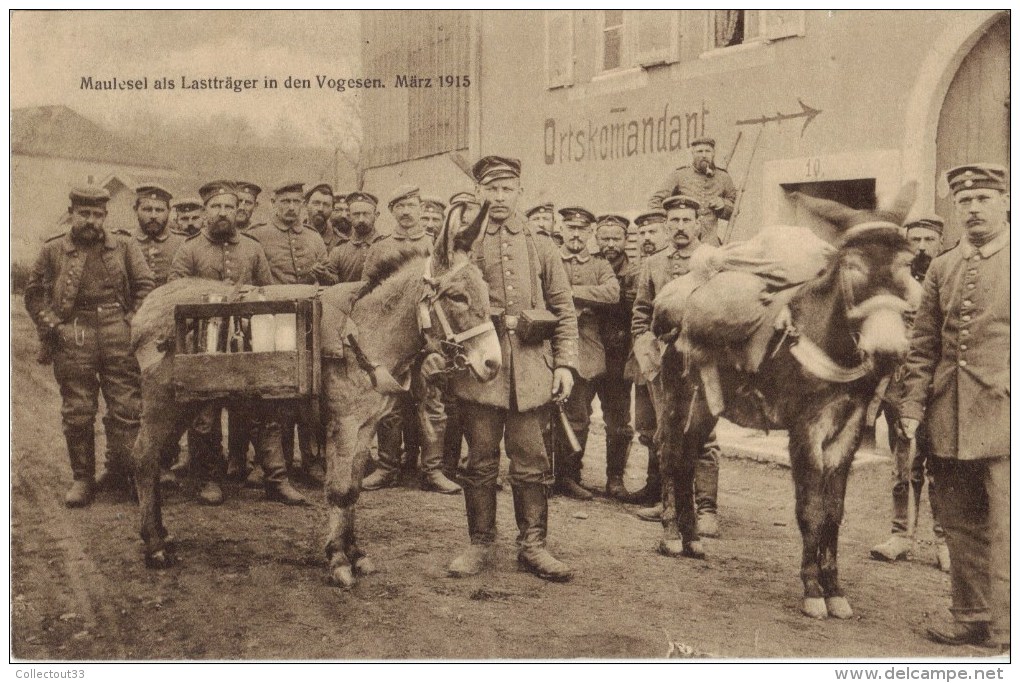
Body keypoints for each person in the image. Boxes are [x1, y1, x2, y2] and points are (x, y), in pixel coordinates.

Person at [446, 155, 579, 582]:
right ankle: (480, 544)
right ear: (479, 192)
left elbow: (564, 310)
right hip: (480, 370)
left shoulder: (541, 244)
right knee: (480, 460)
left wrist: (565, 365)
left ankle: (533, 546)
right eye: (491, 189)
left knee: (532, 461)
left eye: (507, 189)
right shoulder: (464, 246)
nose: (499, 197)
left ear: (519, 191)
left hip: (530, 370)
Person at [898, 164, 1009, 651]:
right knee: (961, 524)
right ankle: (971, 616)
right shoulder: (942, 267)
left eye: (984, 198)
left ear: (1005, 203)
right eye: (965, 201)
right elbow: (923, 347)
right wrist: (911, 407)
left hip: (1006, 419)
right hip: (948, 416)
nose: (974, 208)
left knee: (1008, 525)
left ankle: (1009, 631)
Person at [168, 181, 306, 507]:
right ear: (205, 212)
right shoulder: (188, 250)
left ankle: (276, 478)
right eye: (216, 207)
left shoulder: (253, 248)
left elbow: (267, 293)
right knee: (205, 413)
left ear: (236, 211)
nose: (222, 213)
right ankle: (208, 478)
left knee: (264, 408)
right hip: (203, 342)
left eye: (228, 207)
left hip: (246, 341)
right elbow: (175, 297)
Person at [25, 185, 155, 507]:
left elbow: (145, 286)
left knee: (126, 408)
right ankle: (83, 479)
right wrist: (54, 326)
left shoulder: (124, 246)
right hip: (75, 333)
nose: (91, 221)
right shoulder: (53, 250)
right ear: (71, 214)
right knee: (78, 410)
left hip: (117, 331)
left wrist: (131, 323)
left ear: (106, 217)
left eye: (98, 215)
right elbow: (34, 293)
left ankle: (123, 474)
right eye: (85, 214)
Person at [630, 195, 722, 538]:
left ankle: (707, 509)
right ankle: (669, 503)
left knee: (704, 436)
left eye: (686, 220)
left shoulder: (713, 260)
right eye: (674, 221)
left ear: (698, 224)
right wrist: (644, 346)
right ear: (667, 225)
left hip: (702, 359)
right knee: (665, 433)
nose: (680, 227)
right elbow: (641, 312)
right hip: (663, 361)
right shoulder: (653, 264)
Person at [870, 215, 949, 570]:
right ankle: (900, 535)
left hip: (941, 384)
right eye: (914, 239)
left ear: (940, 242)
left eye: (928, 239)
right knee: (903, 462)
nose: (921, 246)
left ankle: (944, 541)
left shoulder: (950, 275)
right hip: (900, 383)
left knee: (941, 465)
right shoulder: (894, 281)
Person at [360, 185, 451, 492]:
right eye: (399, 206)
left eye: (411, 205)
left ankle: (432, 470)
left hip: (426, 340)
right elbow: (367, 293)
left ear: (419, 206)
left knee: (432, 402)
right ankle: (387, 467)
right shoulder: (381, 247)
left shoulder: (435, 246)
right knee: (390, 404)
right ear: (392, 212)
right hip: (391, 341)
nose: (406, 211)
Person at [552, 207, 619, 500]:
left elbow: (612, 294)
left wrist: (569, 292)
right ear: (562, 230)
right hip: (548, 345)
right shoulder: (551, 259)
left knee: (578, 415)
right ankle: (543, 474)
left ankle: (569, 474)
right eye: (570, 228)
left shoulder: (600, 265)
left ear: (591, 233)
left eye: (582, 230)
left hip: (586, 352)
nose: (576, 234)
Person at [621, 209, 669, 505]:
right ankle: (654, 487)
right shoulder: (640, 269)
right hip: (644, 358)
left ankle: (673, 495)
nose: (647, 239)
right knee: (647, 426)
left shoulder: (674, 265)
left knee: (670, 427)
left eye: (653, 232)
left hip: (671, 356)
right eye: (643, 234)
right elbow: (637, 312)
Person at [593, 213, 640, 500]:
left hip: (618, 355)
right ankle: (569, 474)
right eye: (604, 238)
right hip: (587, 350)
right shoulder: (589, 267)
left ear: (625, 240)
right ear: (596, 240)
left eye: (615, 238)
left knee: (618, 420)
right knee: (576, 415)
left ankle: (615, 478)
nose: (610, 244)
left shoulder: (633, 273)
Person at [648, 137, 737, 246]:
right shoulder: (680, 175)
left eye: (707, 151)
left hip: (710, 243)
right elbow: (655, 201)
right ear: (693, 153)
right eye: (699, 151)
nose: (704, 155)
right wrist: (673, 219)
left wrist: (723, 205)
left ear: (713, 154)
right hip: (682, 242)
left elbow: (734, 210)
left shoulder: (723, 177)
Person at [133, 184, 184, 287]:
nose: (153, 216)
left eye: (159, 210)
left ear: (169, 212)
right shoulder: (124, 242)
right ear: (135, 210)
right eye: (147, 209)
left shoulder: (183, 242)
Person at [327, 191, 385, 283]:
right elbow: (332, 283)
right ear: (350, 216)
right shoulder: (339, 251)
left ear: (376, 215)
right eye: (356, 214)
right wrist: (324, 275)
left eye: (366, 214)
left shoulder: (387, 246)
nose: (361, 219)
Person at [305, 182, 346, 254]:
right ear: (306, 205)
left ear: (332, 209)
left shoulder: (341, 243)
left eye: (326, 205)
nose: (320, 209)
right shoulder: (292, 234)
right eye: (316, 203)